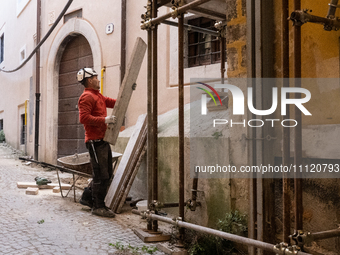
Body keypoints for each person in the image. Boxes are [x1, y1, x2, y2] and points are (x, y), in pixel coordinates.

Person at [76, 67, 117, 218]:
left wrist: (128, 94)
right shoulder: (86, 97)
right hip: (94, 141)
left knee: (107, 173)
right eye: (95, 77)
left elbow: (112, 102)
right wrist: (105, 120)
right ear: (89, 80)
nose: (98, 79)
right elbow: (84, 118)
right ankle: (98, 207)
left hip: (103, 139)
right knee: (101, 175)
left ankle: (87, 198)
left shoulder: (97, 95)